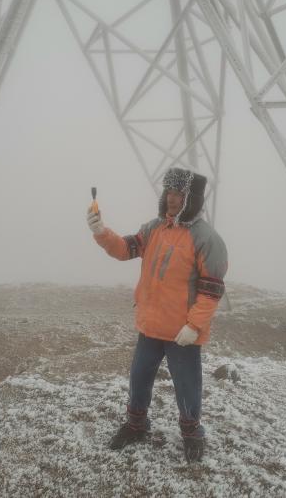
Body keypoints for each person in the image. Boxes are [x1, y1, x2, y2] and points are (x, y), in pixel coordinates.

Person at [86, 167, 228, 462]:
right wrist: (101, 232)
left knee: (187, 386)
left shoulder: (207, 239)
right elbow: (125, 249)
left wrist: (194, 325)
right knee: (139, 379)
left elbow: (211, 291)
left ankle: (191, 433)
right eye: (169, 193)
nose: (172, 200)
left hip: (182, 334)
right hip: (150, 327)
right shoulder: (154, 229)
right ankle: (136, 425)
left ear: (193, 199)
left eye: (179, 194)